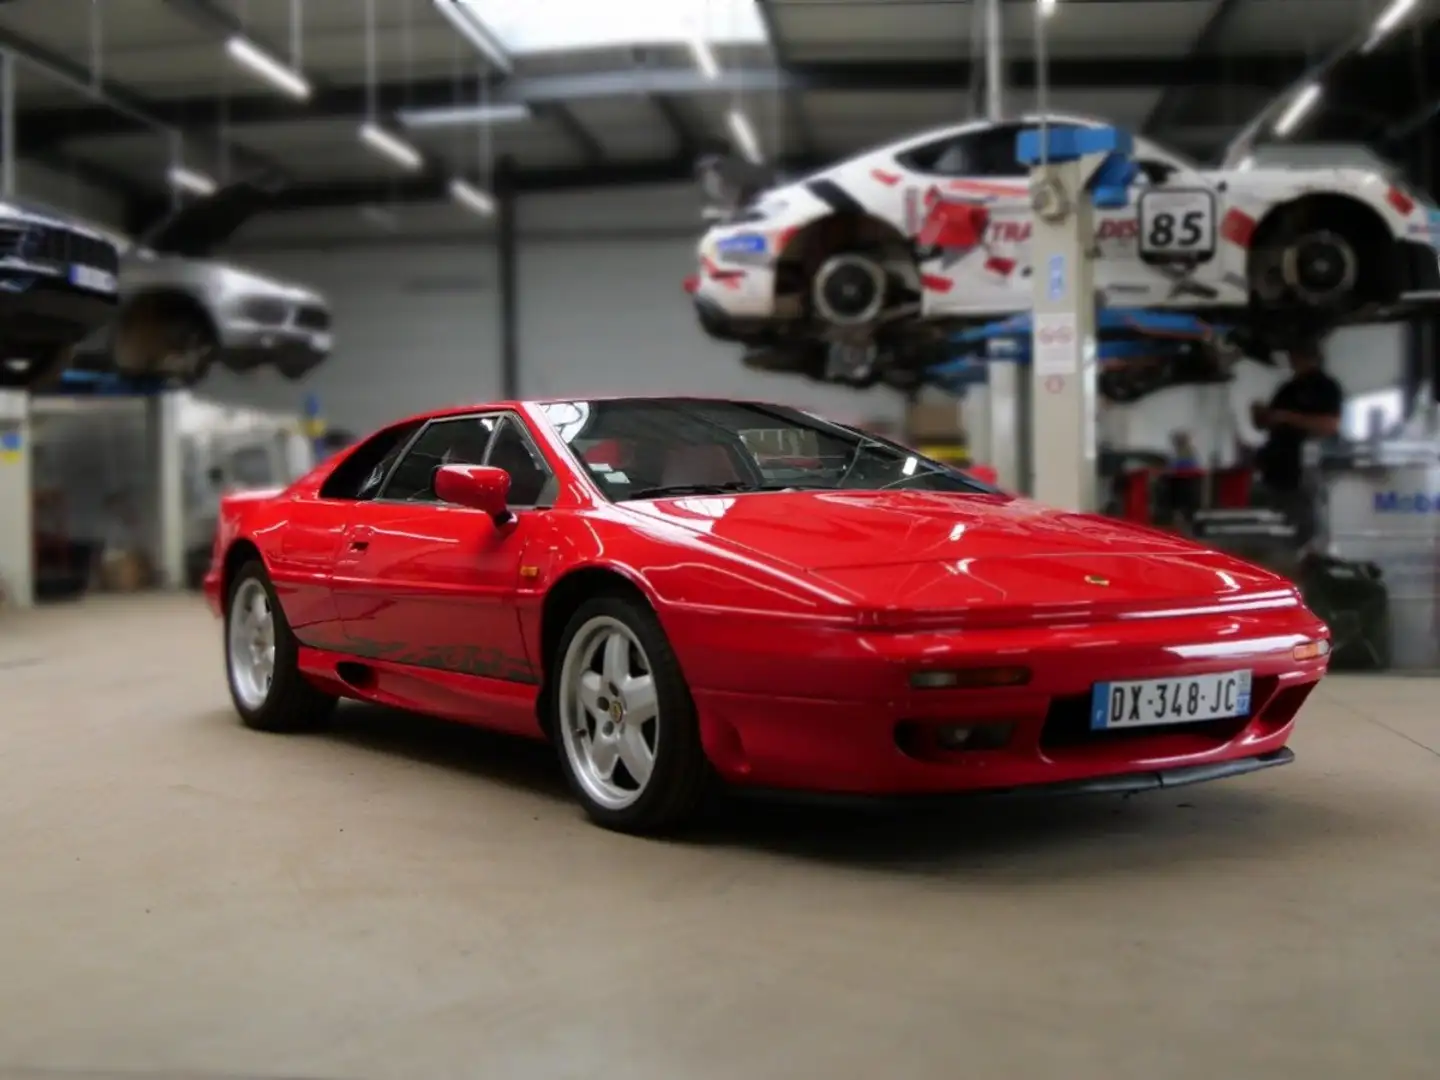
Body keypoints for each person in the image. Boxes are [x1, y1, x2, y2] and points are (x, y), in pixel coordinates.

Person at [1249, 340, 1343, 546]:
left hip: (1304, 469)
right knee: (1273, 523)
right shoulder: (1288, 388)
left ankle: (1302, 556)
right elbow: (1267, 423)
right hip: (1276, 469)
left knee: (1301, 524)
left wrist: (1287, 417)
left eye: (1296, 355)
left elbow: (1329, 425)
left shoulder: (1325, 387)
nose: (1292, 360)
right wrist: (1261, 415)